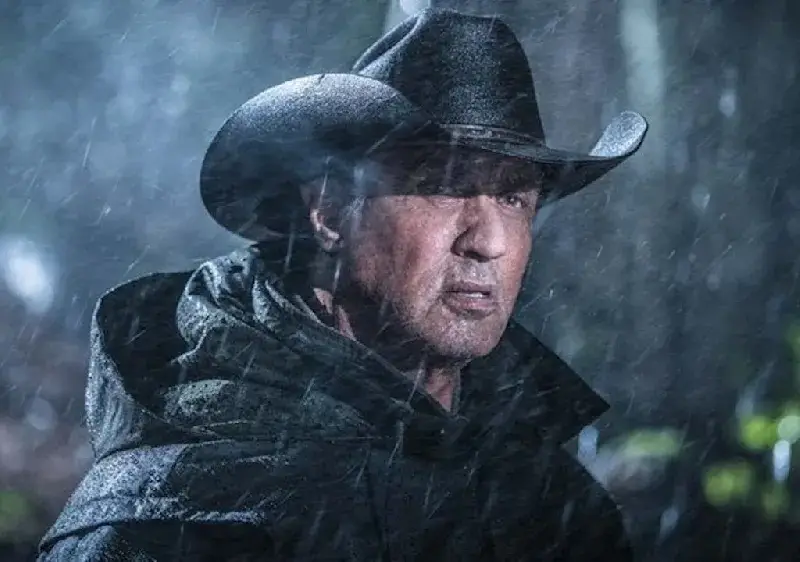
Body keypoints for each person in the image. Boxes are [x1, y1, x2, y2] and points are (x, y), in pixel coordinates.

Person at [38, 8, 647, 561]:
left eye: (514, 198)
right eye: (443, 186)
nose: (489, 241)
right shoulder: (174, 511)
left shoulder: (548, 499)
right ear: (330, 214)